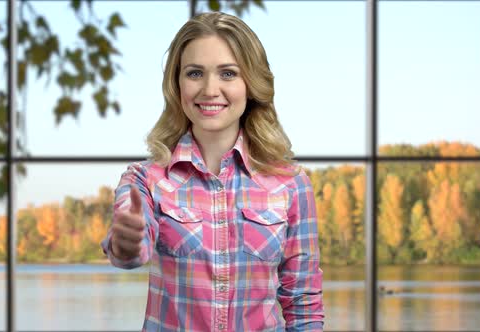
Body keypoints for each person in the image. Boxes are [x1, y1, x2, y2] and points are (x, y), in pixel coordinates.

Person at [101, 11, 324, 331]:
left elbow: (303, 303)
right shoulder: (145, 179)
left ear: (251, 84)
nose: (209, 89)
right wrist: (126, 243)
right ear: (176, 84)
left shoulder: (291, 184)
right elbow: (129, 252)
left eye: (228, 74)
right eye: (194, 73)